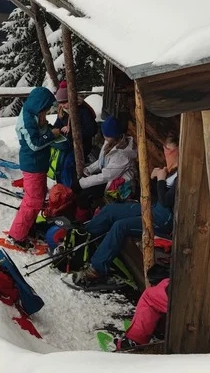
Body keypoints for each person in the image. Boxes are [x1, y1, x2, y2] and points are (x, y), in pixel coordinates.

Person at [73, 132, 178, 287]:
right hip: (152, 207)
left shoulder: (182, 175)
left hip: (163, 220)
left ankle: (97, 270)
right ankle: (82, 241)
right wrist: (153, 179)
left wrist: (161, 180)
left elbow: (167, 201)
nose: (166, 153)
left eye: (169, 150)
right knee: (111, 210)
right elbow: (155, 195)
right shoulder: (171, 170)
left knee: (121, 226)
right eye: (165, 149)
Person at [3, 87, 61, 252]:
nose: (47, 112)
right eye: (46, 109)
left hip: (38, 164)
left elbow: (40, 132)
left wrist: (49, 130)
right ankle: (17, 235)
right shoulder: (28, 120)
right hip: (32, 165)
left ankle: (28, 227)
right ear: (40, 106)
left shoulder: (34, 114)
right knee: (33, 201)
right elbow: (34, 144)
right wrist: (52, 135)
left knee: (38, 197)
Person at [75, 116, 136, 212]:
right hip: (109, 176)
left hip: (118, 186)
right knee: (83, 189)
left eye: (106, 134)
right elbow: (102, 160)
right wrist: (89, 169)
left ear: (114, 135)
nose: (104, 136)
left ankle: (86, 215)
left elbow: (106, 176)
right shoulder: (110, 141)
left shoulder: (122, 155)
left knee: (84, 196)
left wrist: (82, 183)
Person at [50, 81, 99, 188]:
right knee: (59, 163)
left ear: (71, 99)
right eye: (61, 103)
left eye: (65, 102)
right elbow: (57, 125)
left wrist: (72, 130)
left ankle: (70, 187)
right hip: (67, 144)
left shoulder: (83, 111)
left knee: (68, 164)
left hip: (82, 145)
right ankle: (61, 186)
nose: (63, 105)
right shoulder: (63, 111)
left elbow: (92, 130)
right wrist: (57, 130)